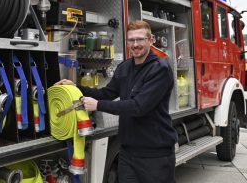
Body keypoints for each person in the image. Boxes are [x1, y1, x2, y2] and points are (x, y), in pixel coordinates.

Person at [55, 20, 177, 183]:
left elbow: (138, 107)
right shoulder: (125, 68)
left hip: (155, 155)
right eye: (131, 40)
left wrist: (97, 105)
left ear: (150, 40)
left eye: (140, 39)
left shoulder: (159, 69)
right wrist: (76, 88)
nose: (135, 44)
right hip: (127, 153)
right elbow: (106, 93)